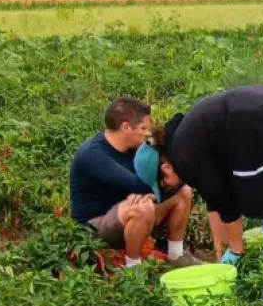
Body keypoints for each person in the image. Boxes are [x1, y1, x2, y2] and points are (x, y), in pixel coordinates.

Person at [143, 85, 263, 293]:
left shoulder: (184, 156)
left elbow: (224, 203)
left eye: (163, 184)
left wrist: (235, 250)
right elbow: (213, 201)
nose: (169, 189)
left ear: (165, 169)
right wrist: (220, 254)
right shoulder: (182, 138)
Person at [69, 97, 199, 268]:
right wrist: (151, 190)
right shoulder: (94, 155)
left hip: (128, 211)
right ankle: (134, 268)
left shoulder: (134, 148)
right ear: (126, 127)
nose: (146, 133)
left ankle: (176, 255)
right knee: (142, 208)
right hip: (97, 225)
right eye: (143, 128)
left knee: (183, 192)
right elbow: (137, 185)